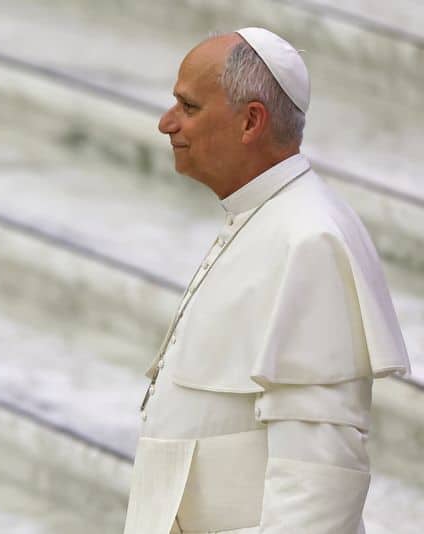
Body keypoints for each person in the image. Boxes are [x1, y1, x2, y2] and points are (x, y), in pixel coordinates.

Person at [123, 28, 410, 534]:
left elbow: (318, 483)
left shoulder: (311, 240)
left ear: (251, 121)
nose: (167, 123)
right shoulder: (262, 218)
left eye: (189, 107)